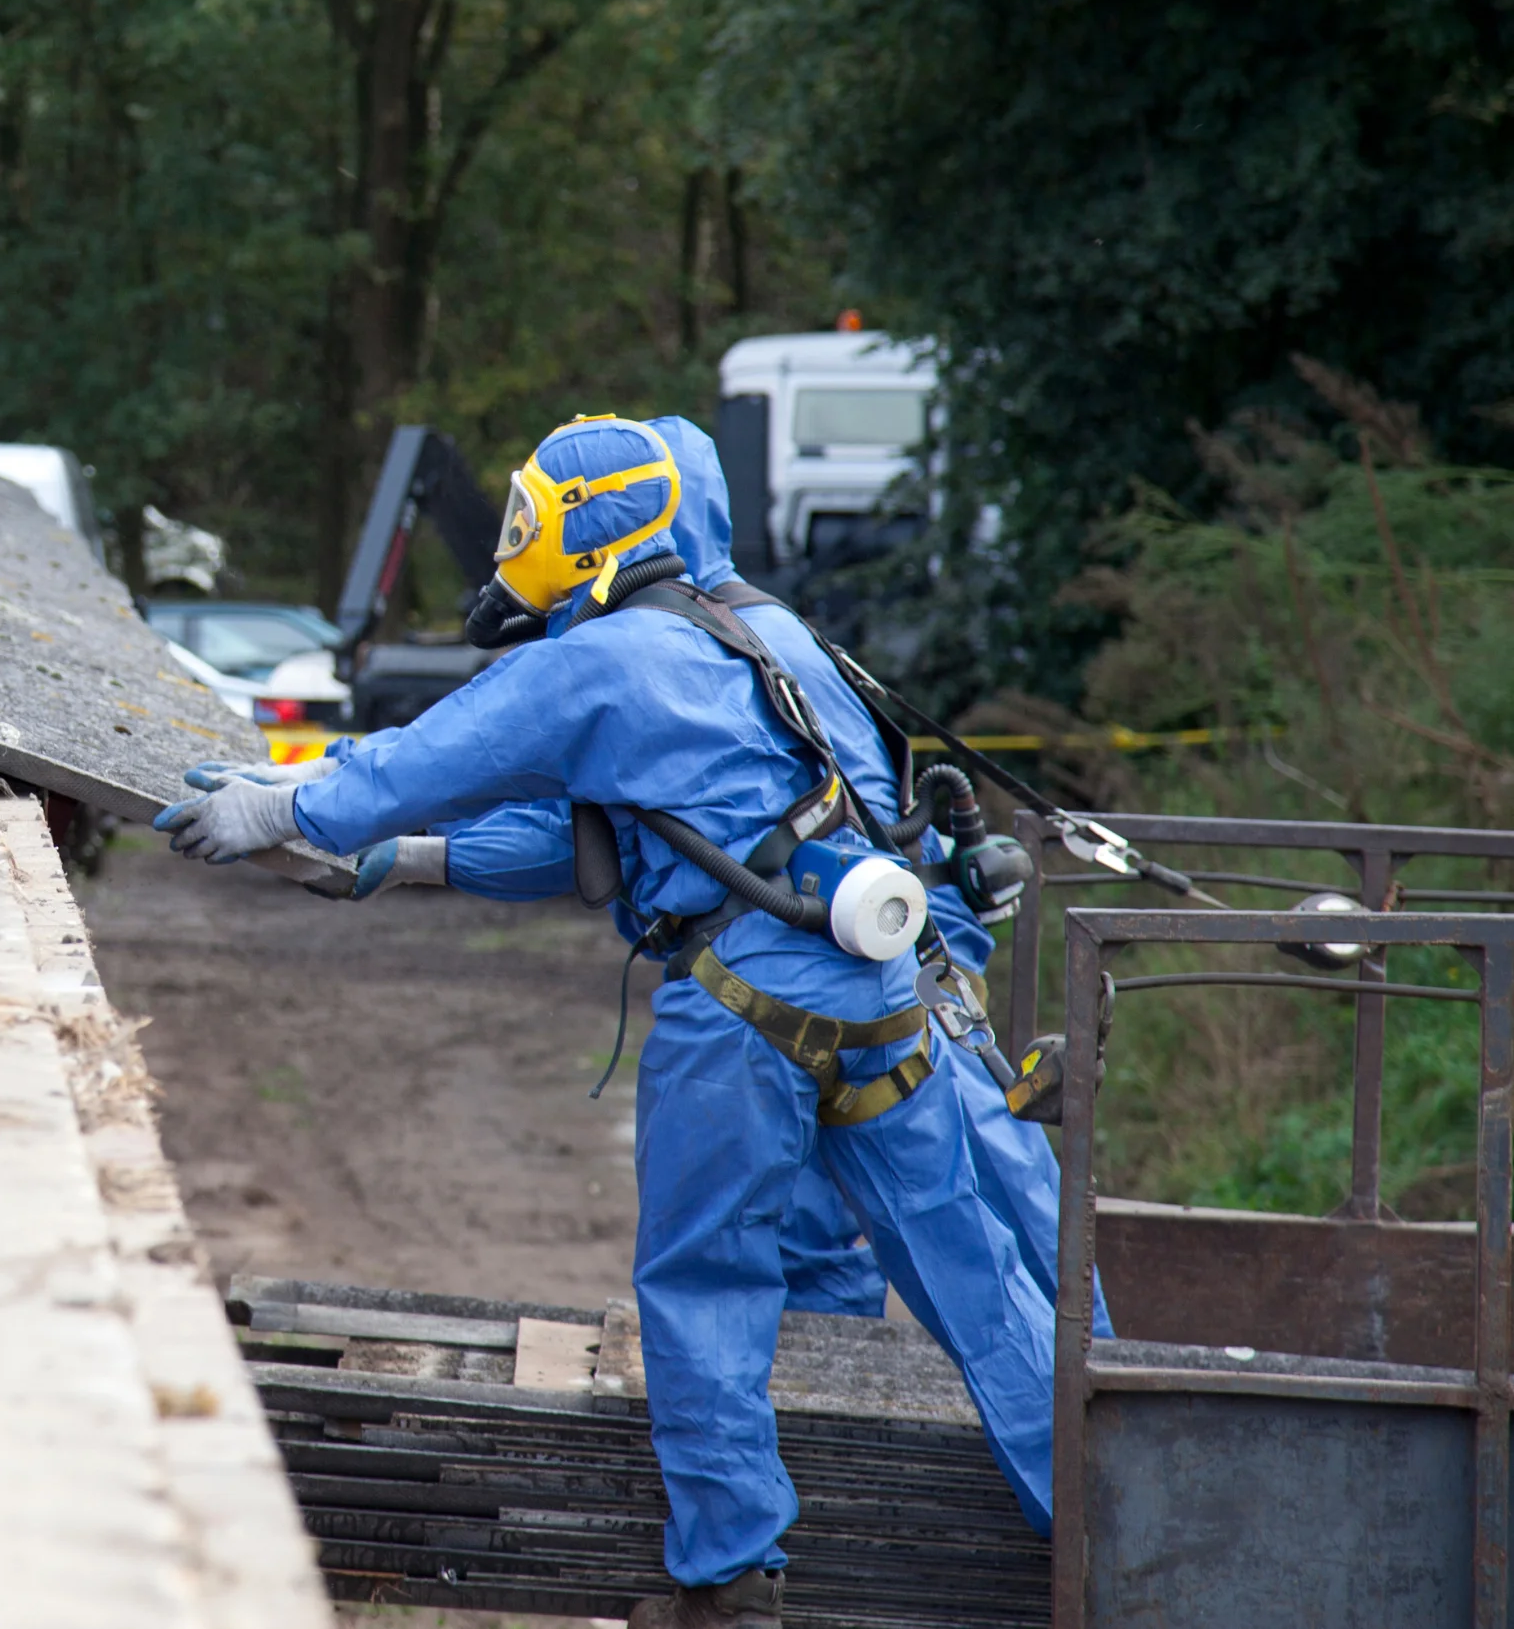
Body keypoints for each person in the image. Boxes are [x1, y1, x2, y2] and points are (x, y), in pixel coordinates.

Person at [156, 414, 1056, 1629]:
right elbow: (621, 837)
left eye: (529, 524)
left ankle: (731, 1582)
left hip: (739, 1016)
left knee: (706, 1279)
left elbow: (422, 757)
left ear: (592, 525)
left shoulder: (599, 661)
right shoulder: (774, 633)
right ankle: (1126, 1530)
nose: (513, 548)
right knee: (980, 1278)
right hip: (884, 1002)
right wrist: (410, 862)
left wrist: (288, 808)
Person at [341, 417, 1107, 1334]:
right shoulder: (729, 636)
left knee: (939, 1242)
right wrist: (431, 858)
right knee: (943, 1266)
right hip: (874, 968)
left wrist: (383, 836)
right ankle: (1044, 1449)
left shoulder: (690, 651)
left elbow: (649, 838)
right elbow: (620, 838)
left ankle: (1080, 1443)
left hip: (867, 968)